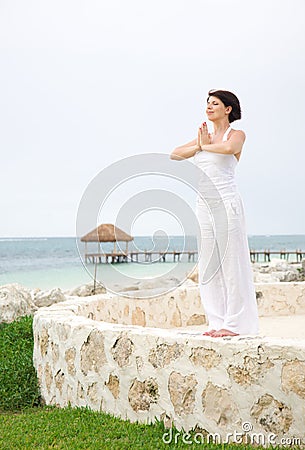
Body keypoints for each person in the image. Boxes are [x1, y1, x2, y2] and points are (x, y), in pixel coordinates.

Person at [170, 89, 259, 337]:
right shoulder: (204, 137)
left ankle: (235, 325)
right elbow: (175, 154)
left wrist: (206, 146)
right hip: (204, 206)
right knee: (210, 266)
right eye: (207, 103)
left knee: (232, 265)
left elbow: (230, 149)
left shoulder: (236, 134)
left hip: (226, 204)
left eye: (215, 103)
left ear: (227, 109)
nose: (209, 107)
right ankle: (215, 322)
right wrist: (199, 145)